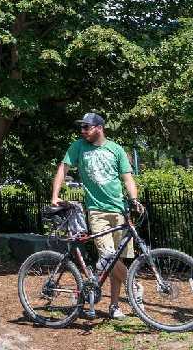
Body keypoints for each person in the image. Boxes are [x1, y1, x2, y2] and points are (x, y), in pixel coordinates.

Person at [50, 112, 143, 319]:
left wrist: (134, 199)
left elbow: (127, 178)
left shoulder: (115, 149)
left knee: (116, 260)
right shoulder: (78, 147)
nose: (82, 131)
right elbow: (63, 169)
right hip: (97, 211)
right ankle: (134, 286)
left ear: (99, 128)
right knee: (108, 255)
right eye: (81, 128)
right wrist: (55, 195)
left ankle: (114, 306)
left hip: (120, 210)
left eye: (86, 127)